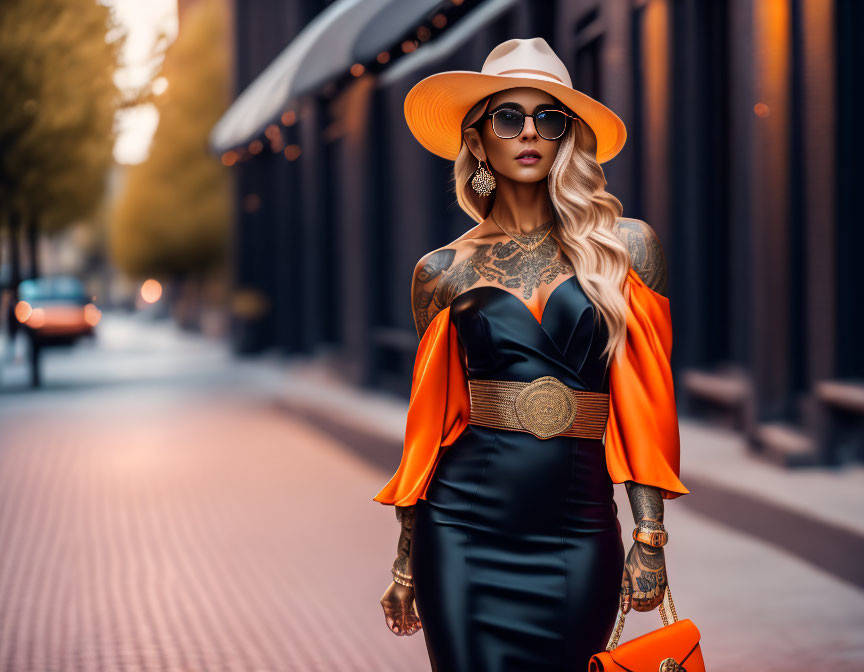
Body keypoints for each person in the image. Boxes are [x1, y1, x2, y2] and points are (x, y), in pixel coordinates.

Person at [372, 37, 690, 671]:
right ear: (478, 139)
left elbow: (648, 404)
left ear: (566, 137)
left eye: (548, 118)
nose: (529, 133)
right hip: (463, 531)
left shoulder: (625, 248)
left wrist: (649, 536)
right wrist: (406, 559)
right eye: (508, 117)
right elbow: (429, 428)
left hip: (580, 530)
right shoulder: (441, 272)